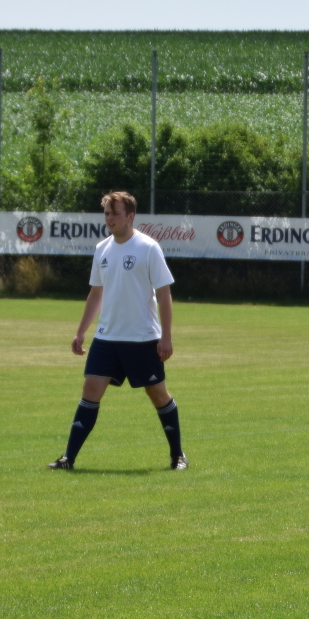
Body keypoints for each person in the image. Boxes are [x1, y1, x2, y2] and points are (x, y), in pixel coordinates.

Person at [50, 191, 186, 472]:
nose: (110, 219)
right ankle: (68, 459)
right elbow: (96, 294)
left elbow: (164, 295)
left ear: (130, 216)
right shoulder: (102, 249)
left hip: (142, 339)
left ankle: (178, 456)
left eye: (115, 214)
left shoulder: (148, 248)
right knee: (90, 389)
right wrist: (81, 331)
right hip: (107, 339)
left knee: (158, 394)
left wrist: (167, 336)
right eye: (107, 214)